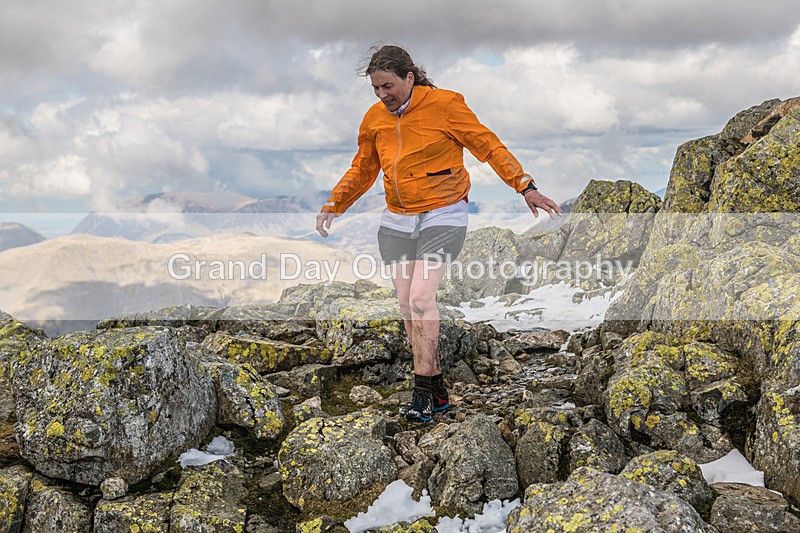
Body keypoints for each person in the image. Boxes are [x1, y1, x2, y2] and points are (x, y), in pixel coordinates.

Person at [316, 44, 562, 422]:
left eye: (387, 85)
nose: (382, 95)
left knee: (420, 297)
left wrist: (525, 186)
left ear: (409, 77)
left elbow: (488, 146)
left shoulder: (445, 105)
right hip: (398, 219)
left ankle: (421, 396)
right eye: (376, 89)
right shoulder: (373, 119)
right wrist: (335, 203)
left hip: (444, 212)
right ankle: (440, 391)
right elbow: (364, 168)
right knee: (407, 307)